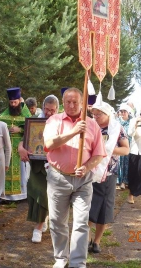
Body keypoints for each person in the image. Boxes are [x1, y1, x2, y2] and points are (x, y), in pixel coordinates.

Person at [43, 88, 106, 268]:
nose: (71, 106)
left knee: (80, 222)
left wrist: (86, 167)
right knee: (57, 221)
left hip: (83, 181)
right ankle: (61, 258)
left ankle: (78, 262)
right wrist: (73, 132)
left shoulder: (92, 124)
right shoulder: (54, 120)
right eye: (68, 102)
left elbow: (99, 154)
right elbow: (49, 144)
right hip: (58, 178)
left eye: (75, 102)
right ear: (63, 103)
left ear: (82, 103)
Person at [88, 102, 129, 254]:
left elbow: (125, 150)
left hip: (109, 172)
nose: (96, 117)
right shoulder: (92, 126)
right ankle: (86, 238)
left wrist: (107, 150)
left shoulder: (117, 128)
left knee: (104, 209)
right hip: (91, 172)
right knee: (89, 207)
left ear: (108, 114)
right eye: (94, 114)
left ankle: (97, 241)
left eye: (99, 114)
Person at [18, 95, 59, 243]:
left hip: (54, 166)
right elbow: (24, 140)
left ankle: (38, 226)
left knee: (44, 194)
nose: (48, 113)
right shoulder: (35, 121)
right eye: (46, 109)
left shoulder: (61, 122)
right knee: (33, 192)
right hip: (36, 164)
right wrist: (21, 149)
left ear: (57, 109)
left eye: (52, 110)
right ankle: (44, 217)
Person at [0, 87, 31, 200]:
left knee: (20, 170)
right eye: (11, 102)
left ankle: (20, 195)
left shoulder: (26, 113)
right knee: (6, 169)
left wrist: (20, 130)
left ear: (19, 101)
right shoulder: (4, 115)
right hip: (7, 147)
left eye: (15, 102)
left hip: (19, 146)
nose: (13, 105)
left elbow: (31, 128)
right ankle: (6, 196)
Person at [117, 103, 133, 189]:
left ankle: (125, 181)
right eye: (121, 111)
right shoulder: (116, 121)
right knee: (119, 163)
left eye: (124, 111)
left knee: (126, 163)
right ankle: (119, 180)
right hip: (119, 145)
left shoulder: (132, 121)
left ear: (128, 112)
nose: (122, 113)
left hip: (128, 145)